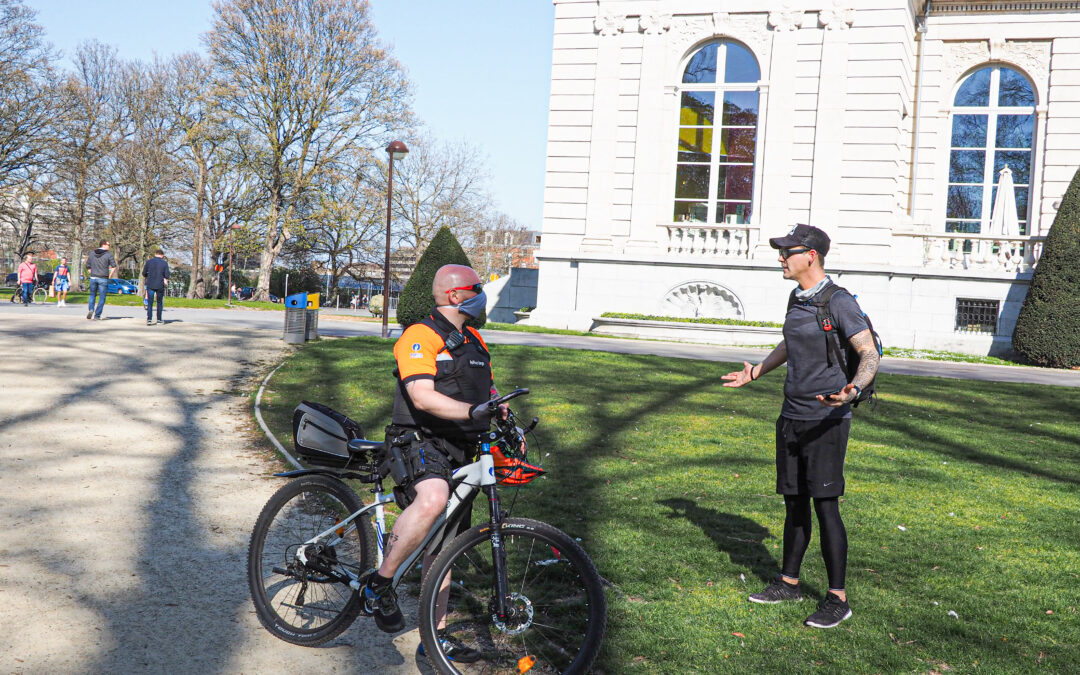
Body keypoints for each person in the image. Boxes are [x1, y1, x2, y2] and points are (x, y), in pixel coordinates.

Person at [722, 224, 880, 629]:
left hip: (826, 420)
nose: (780, 258)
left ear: (810, 255)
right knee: (794, 502)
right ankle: (789, 582)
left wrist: (853, 390)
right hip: (791, 415)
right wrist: (756, 372)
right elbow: (791, 344)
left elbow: (869, 352)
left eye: (786, 252)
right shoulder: (797, 299)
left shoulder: (839, 301)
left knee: (825, 506)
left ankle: (837, 598)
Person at [361, 264, 495, 662]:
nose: (481, 294)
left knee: (447, 543)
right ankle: (380, 584)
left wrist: (498, 411)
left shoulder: (475, 340)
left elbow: (486, 390)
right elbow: (421, 396)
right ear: (455, 295)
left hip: (460, 445)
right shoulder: (419, 335)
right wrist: (473, 412)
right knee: (434, 499)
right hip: (417, 440)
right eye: (476, 288)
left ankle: (434, 638)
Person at [86, 240, 117, 320]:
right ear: (103, 245)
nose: (109, 246)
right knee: (102, 297)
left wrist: (92, 273)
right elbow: (114, 267)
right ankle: (97, 315)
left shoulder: (92, 253)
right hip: (103, 277)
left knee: (92, 295)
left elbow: (88, 266)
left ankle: (91, 309)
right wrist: (110, 275)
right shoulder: (108, 254)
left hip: (93, 277)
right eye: (108, 245)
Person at [142, 249, 170, 325]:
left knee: (150, 302)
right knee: (159, 302)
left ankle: (149, 319)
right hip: (160, 285)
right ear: (162, 255)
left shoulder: (148, 262)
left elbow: (144, 273)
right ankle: (159, 319)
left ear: (155, 254)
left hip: (150, 284)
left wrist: (148, 275)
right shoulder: (164, 263)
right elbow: (167, 275)